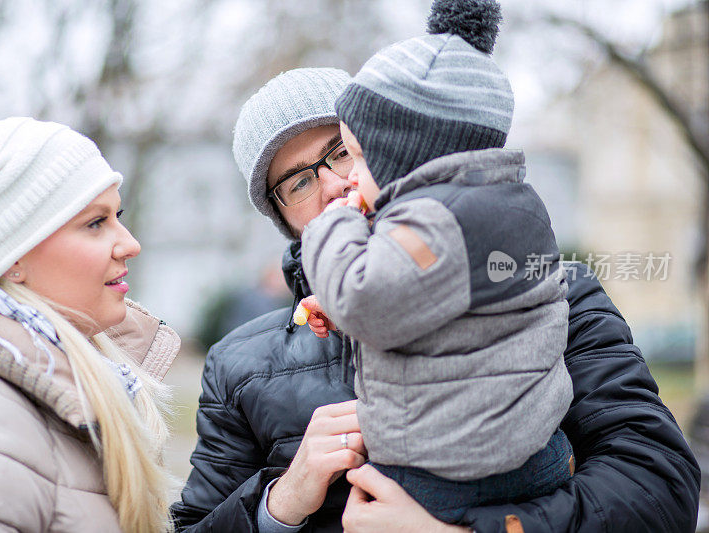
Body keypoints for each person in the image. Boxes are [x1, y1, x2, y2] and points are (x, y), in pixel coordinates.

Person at [172, 39, 700, 533]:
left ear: (394, 142)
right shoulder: (238, 367)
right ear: (284, 220)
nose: (334, 184)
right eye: (299, 181)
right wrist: (281, 502)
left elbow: (659, 483)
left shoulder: (545, 290)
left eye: (341, 151)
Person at [298, 0, 573, 523]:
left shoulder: (436, 225)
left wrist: (331, 224)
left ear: (405, 154)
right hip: (540, 456)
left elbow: (366, 299)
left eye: (357, 156)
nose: (349, 178)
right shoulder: (512, 204)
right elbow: (459, 318)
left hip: (447, 479)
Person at [0, 117, 180, 533]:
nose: (130, 243)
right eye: (95, 222)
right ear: (12, 256)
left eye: (117, 216)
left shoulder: (72, 380)